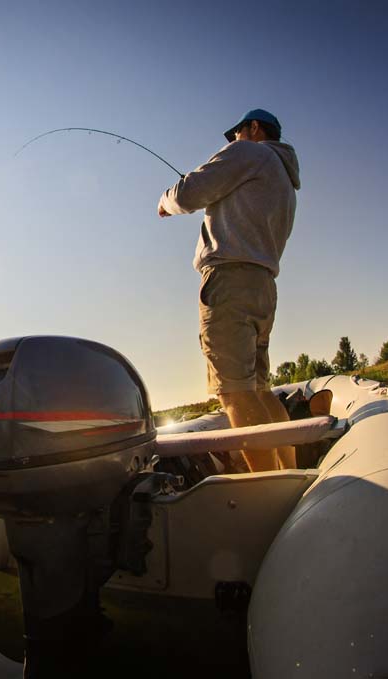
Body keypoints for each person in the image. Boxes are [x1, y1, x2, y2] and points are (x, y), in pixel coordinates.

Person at [157, 108, 301, 472]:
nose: (232, 141)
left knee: (234, 393)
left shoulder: (250, 152)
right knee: (261, 390)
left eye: (235, 133)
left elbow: (189, 193)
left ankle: (271, 495)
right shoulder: (284, 180)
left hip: (230, 285)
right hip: (263, 288)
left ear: (253, 129)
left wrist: (165, 202)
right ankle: (292, 472)